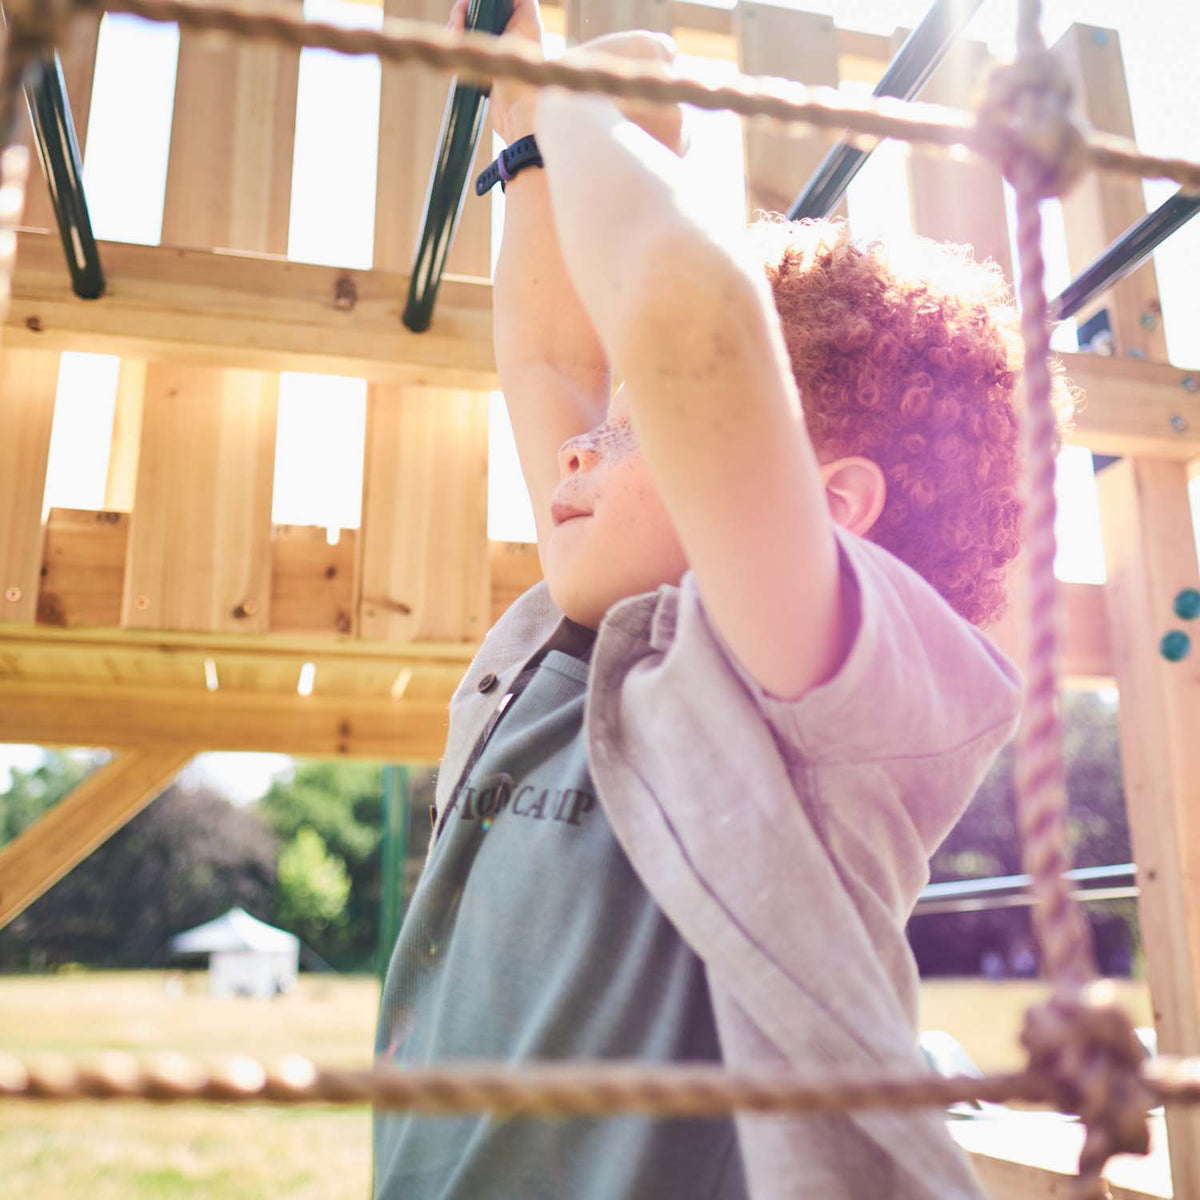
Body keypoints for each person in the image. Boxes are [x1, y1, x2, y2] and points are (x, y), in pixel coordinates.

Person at [374, 3, 1071, 1196]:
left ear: (830, 508)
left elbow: (691, 328)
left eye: (641, 428)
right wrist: (530, 127)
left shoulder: (812, 689)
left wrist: (592, 111)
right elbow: (551, 362)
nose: (580, 452)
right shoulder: (569, 628)